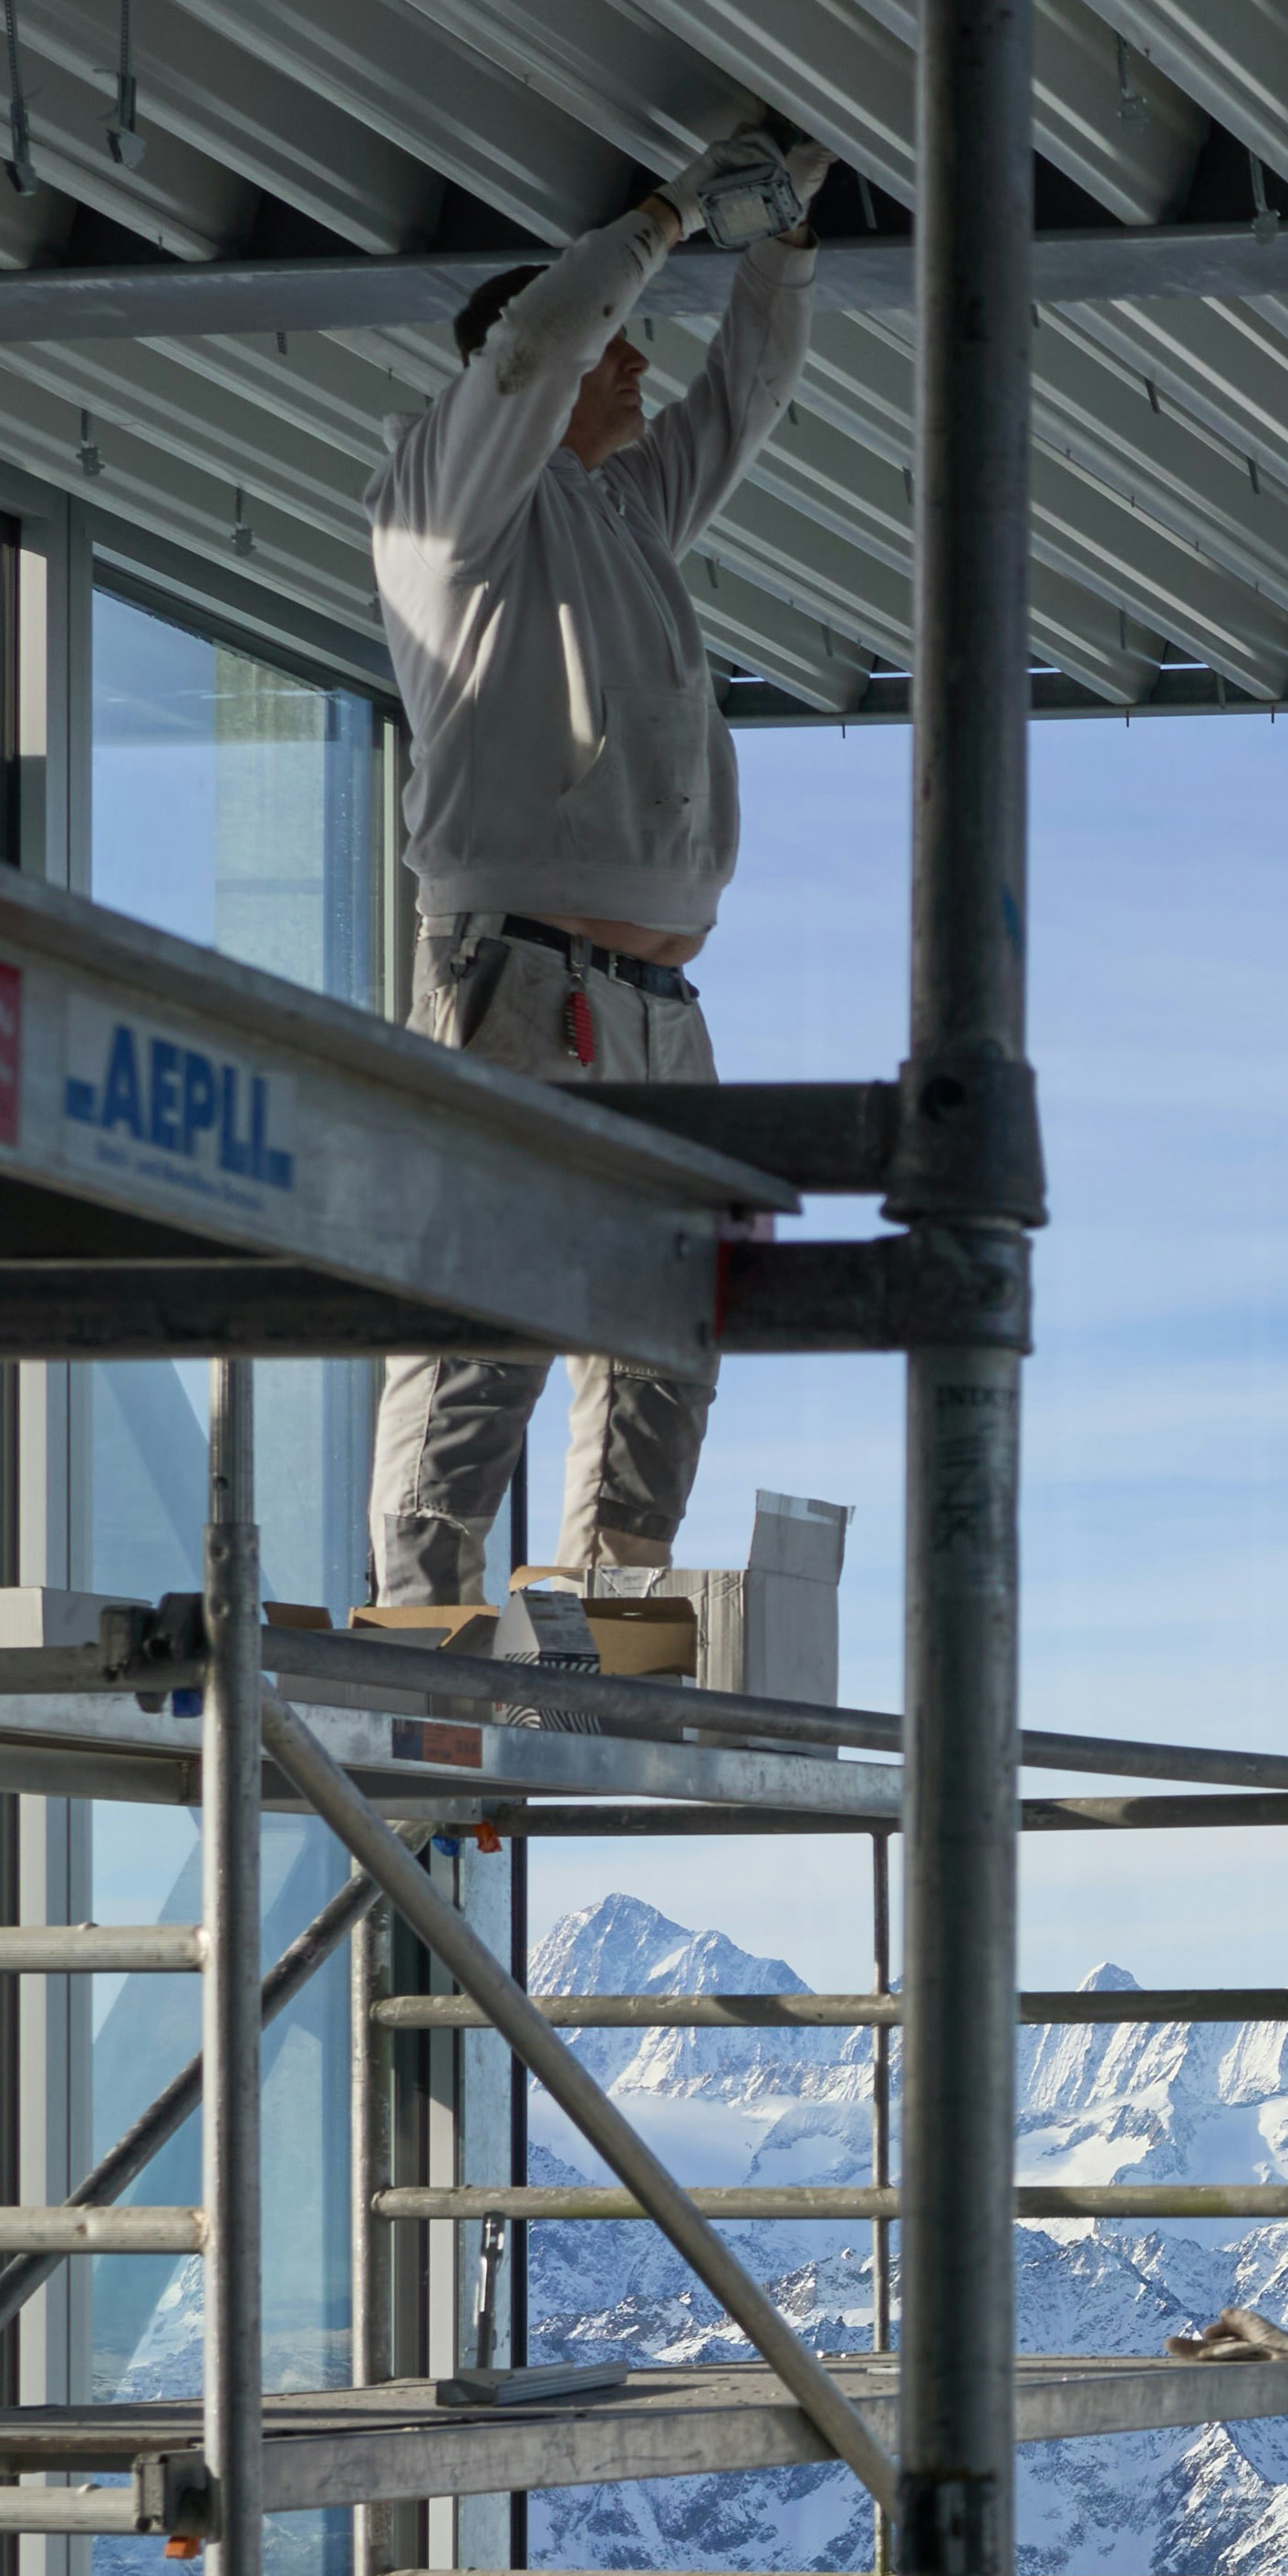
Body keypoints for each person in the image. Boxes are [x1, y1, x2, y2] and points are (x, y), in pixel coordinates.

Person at [358, 116, 829, 1618]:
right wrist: (672, 215)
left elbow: (740, 402)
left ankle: (607, 1627)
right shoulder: (453, 504)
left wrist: (784, 249)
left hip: (648, 1001)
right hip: (523, 979)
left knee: (664, 1326)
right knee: (486, 1313)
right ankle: (427, 1622)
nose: (640, 366)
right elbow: (543, 345)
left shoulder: (616, 516)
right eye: (617, 347)